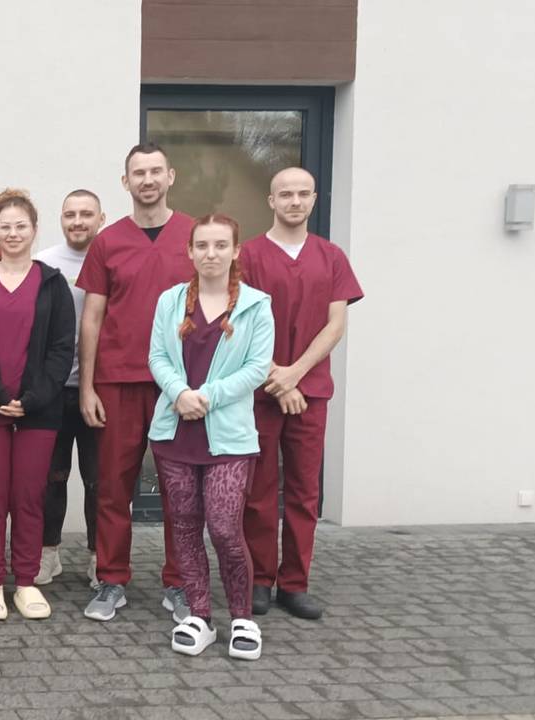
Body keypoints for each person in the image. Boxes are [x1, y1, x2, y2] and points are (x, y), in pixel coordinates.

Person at [146, 213, 273, 660]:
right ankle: (199, 615)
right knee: (183, 525)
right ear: (190, 251)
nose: (211, 253)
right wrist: (180, 393)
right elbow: (157, 356)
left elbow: (257, 367)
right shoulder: (170, 301)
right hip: (175, 431)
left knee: (223, 527)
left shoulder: (256, 305)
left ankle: (242, 617)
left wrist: (207, 396)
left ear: (236, 250)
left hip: (229, 438)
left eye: (221, 245)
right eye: (202, 245)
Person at [79, 143, 196, 623]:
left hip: (179, 384)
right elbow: (92, 317)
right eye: (138, 173)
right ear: (125, 182)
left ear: (171, 176)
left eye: (155, 171)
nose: (147, 180)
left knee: (179, 490)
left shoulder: (194, 236)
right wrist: (87, 386)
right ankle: (111, 580)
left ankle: (180, 582)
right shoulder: (108, 242)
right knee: (113, 487)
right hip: (118, 380)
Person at [240, 167, 364, 620]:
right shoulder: (249, 256)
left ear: (313, 199)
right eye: (286, 194)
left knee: (303, 491)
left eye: (303, 194)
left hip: (309, 390)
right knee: (257, 490)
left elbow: (336, 325)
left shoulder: (331, 257)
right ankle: (258, 579)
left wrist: (296, 374)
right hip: (260, 390)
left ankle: (294, 583)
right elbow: (240, 322)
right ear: (271, 201)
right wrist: (276, 377)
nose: (295, 201)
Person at [0, 189, 77, 620]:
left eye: (20, 226)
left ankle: (25, 582)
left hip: (37, 414)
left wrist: (31, 399)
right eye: (4, 226)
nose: (13, 233)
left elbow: (62, 350)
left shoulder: (53, 284)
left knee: (28, 498)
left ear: (34, 230)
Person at [33, 190, 105, 588]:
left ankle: (99, 556)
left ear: (101, 219)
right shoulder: (44, 263)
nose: (78, 221)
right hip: (54, 390)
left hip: (99, 389)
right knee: (51, 477)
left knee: (99, 480)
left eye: (86, 214)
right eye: (70, 214)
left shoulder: (110, 258)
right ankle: (49, 554)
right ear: (60, 219)